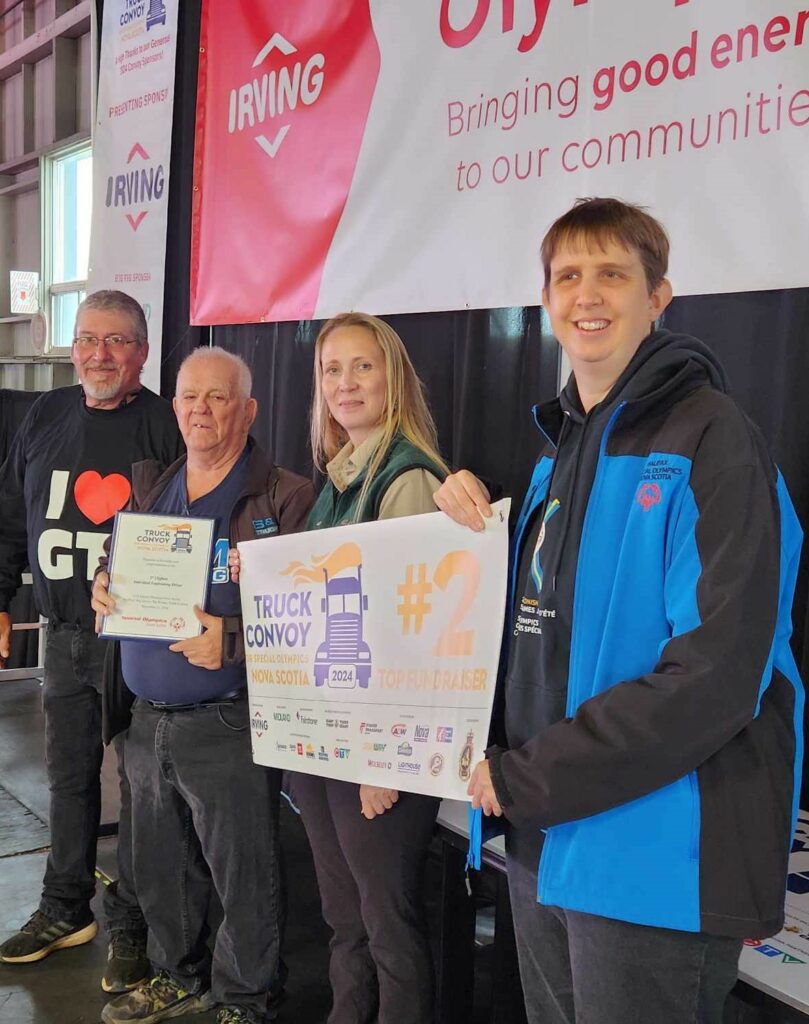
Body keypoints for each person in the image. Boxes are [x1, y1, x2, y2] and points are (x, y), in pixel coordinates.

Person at [433, 198, 806, 1024]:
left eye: (612, 273)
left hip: (653, 861)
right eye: (568, 276)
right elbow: (534, 638)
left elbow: (713, 677)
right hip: (543, 843)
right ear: (546, 301)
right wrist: (459, 540)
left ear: (658, 296)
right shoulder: (555, 453)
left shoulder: (711, 439)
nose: (586, 294)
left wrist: (526, 779)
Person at [92, 347, 314, 1024]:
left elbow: (310, 618)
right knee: (162, 868)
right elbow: (116, 565)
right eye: (189, 397)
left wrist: (236, 641)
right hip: (149, 716)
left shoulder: (284, 497)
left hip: (227, 716)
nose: (199, 411)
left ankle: (246, 1000)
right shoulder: (154, 488)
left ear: (247, 409)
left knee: (242, 874)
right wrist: (104, 584)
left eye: (217, 398)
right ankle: (175, 975)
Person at [0, 290, 183, 992]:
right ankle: (63, 906)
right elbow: (12, 514)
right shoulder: (45, 415)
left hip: (136, 644)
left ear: (141, 351)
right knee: (69, 780)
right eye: (87, 340)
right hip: (63, 635)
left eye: (116, 342)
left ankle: (131, 926)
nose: (98, 355)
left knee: (142, 790)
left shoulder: (168, 424)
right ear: (71, 346)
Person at [288, 312, 447, 1024]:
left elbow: (415, 633)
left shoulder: (406, 477)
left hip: (374, 752)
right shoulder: (340, 474)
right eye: (331, 369)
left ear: (393, 377)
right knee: (345, 919)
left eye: (362, 366)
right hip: (327, 736)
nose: (345, 383)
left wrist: (384, 758)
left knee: (386, 927)